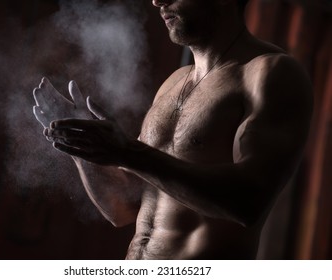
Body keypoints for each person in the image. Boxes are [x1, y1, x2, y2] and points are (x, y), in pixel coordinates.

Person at [33, 0, 312, 259]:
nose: (157, 1)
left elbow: (248, 201)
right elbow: (123, 208)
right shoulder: (174, 82)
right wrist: (80, 147)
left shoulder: (271, 73)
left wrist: (128, 153)